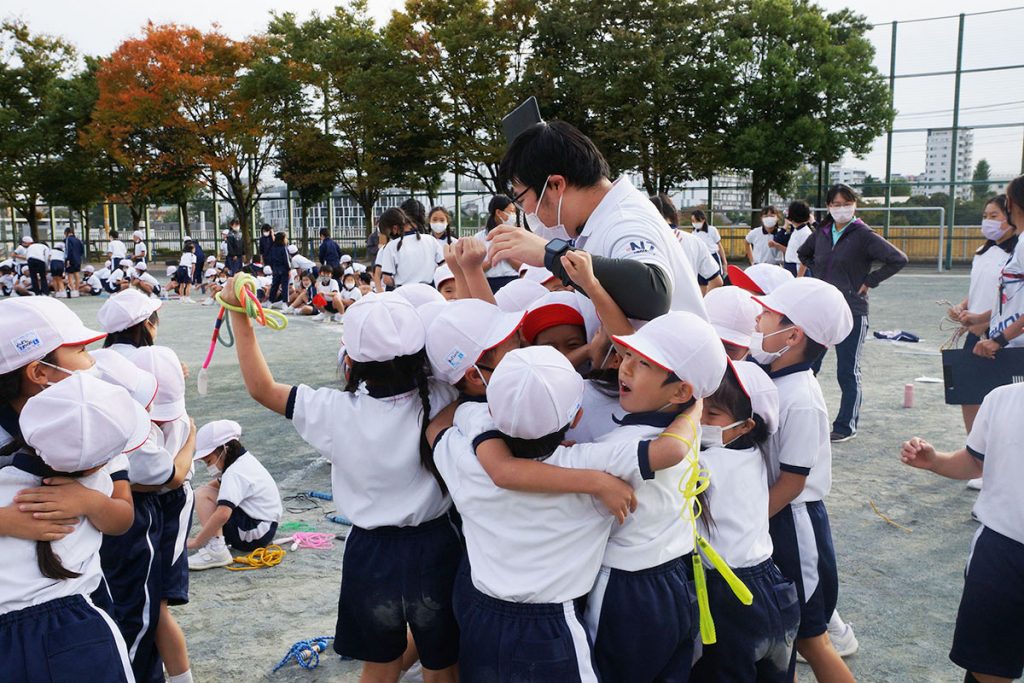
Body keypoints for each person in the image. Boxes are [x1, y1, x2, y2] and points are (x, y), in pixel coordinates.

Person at [223, 290, 461, 683]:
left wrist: (239, 316)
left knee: (380, 664)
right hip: (435, 547)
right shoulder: (442, 396)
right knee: (441, 666)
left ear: (349, 360)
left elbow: (262, 388)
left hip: (371, 554)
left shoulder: (333, 410)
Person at [428, 345, 703, 683]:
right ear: (576, 419)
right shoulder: (591, 465)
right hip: (553, 626)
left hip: (480, 616)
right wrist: (695, 407)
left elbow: (436, 428)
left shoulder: (466, 462)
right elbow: (669, 450)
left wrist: (482, 423)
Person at [488, 120, 707, 331]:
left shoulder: (623, 219)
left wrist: (552, 255)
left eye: (522, 198)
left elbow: (654, 294)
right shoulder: (601, 218)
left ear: (555, 185)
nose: (525, 211)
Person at [1, 373, 144, 683]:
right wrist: (91, 503)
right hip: (77, 631)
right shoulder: (95, 485)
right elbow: (122, 521)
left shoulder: (6, 476)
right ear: (99, 462)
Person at [751, 277, 856, 682]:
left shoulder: (801, 396)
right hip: (776, 514)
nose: (758, 319)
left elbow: (793, 482)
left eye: (768, 315)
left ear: (792, 335)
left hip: (794, 524)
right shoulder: (773, 377)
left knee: (811, 639)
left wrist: (750, 522)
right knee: (784, 637)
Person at [900, 382, 1024, 683]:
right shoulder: (1002, 399)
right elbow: (974, 461)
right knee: (987, 666)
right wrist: (935, 461)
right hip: (1002, 547)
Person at [690, 361, 800, 682]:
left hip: (729, 595)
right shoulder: (753, 456)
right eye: (699, 410)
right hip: (772, 583)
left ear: (745, 426)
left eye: (711, 415)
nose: (699, 421)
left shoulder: (704, 465)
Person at [798, 183, 908, 442]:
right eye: (835, 204)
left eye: (845, 203)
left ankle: (845, 426)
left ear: (854, 204)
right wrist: (820, 275)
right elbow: (804, 254)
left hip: (852, 311)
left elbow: (898, 258)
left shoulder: (863, 234)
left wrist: (870, 281)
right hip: (821, 310)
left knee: (847, 371)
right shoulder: (822, 232)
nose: (840, 209)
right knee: (807, 366)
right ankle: (802, 416)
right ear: (828, 207)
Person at [946, 194, 1017, 438]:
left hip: (1005, 336)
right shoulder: (982, 251)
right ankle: (975, 452)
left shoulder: (1017, 254)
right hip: (975, 334)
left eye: (994, 216)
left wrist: (983, 320)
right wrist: (962, 307)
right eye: (985, 216)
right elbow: (980, 289)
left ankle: (999, 454)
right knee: (970, 395)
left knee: (1003, 399)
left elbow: (1013, 301)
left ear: (1012, 215)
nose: (988, 221)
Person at [188, 420, 282, 568]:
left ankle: (217, 551)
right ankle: (216, 542)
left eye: (208, 461)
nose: (209, 467)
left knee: (203, 495)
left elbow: (223, 514)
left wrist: (197, 542)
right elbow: (218, 485)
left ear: (225, 449)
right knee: (204, 492)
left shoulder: (234, 472)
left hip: (254, 533)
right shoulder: (243, 461)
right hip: (265, 528)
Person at [650, 194, 722, 293]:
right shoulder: (695, 241)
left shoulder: (643, 242)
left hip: (656, 307)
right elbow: (717, 282)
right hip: (690, 307)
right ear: (673, 213)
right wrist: (701, 304)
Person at [376, 208, 444, 290]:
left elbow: (386, 279)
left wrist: (398, 281)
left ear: (394, 228)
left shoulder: (391, 246)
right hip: (429, 290)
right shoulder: (431, 240)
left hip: (403, 293)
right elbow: (444, 265)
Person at [474, 196, 522, 293]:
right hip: (489, 283)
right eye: (511, 211)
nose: (513, 215)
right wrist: (493, 259)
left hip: (513, 281)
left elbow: (524, 267)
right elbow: (474, 268)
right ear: (498, 213)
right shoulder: (480, 238)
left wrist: (507, 256)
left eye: (514, 212)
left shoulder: (518, 235)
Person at [783, 201, 814, 277]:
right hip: (791, 266)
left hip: (798, 269)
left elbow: (806, 256)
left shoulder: (805, 233)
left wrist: (799, 277)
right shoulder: (797, 230)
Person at [267, 232, 291, 308]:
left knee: (274, 285)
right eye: (285, 238)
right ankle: (284, 302)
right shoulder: (284, 248)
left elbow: (270, 259)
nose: (286, 240)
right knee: (285, 286)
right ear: (282, 239)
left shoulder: (273, 248)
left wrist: (273, 267)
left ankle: (270, 301)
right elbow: (286, 260)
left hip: (275, 269)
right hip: (284, 270)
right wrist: (289, 269)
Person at [65, 227, 85, 293]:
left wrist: (68, 259)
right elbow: (82, 250)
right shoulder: (78, 240)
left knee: (70, 275)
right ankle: (77, 289)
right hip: (78, 259)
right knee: (77, 274)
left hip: (71, 259)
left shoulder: (68, 239)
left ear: (66, 233)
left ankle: (73, 290)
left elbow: (69, 250)